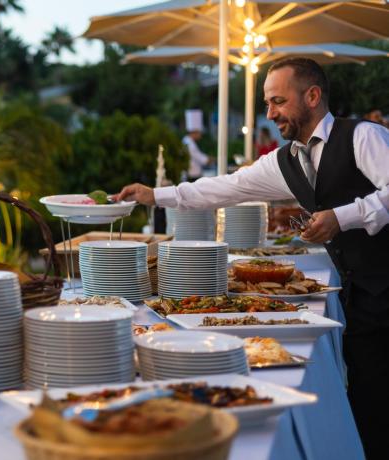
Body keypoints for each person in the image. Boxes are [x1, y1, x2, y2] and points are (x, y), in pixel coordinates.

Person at [113, 58, 389, 459]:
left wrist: (340, 218)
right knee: (368, 398)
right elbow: (224, 188)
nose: (271, 113)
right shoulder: (285, 161)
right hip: (361, 298)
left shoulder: (363, 136)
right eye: (267, 103)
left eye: (278, 100)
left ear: (312, 96)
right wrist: (155, 196)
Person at [182, 109, 211, 181]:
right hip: (192, 177)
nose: (201, 135)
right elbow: (201, 158)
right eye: (199, 132)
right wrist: (213, 159)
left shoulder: (188, 141)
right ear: (195, 132)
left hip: (193, 175)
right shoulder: (188, 143)